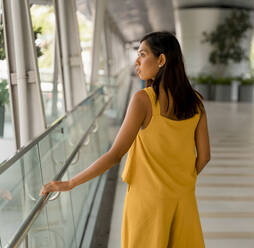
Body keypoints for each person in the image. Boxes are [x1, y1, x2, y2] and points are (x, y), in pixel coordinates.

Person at [40, 31, 211, 248]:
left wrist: (70, 183)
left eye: (142, 54)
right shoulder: (196, 102)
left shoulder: (144, 100)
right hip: (183, 199)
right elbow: (204, 156)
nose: (137, 61)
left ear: (161, 60)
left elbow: (114, 156)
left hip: (148, 203)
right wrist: (180, 181)